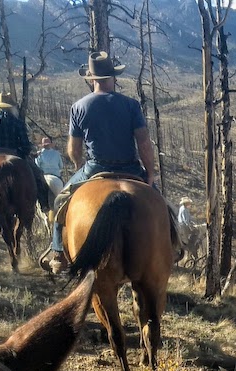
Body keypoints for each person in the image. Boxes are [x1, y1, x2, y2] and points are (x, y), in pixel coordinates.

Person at [44, 51, 156, 274]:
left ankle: (58, 253)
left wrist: (78, 166)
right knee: (160, 204)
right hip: (130, 167)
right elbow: (143, 143)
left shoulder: (79, 107)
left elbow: (74, 149)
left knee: (60, 202)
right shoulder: (131, 105)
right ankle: (172, 243)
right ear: (113, 77)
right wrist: (150, 174)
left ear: (92, 79)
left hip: (96, 167)